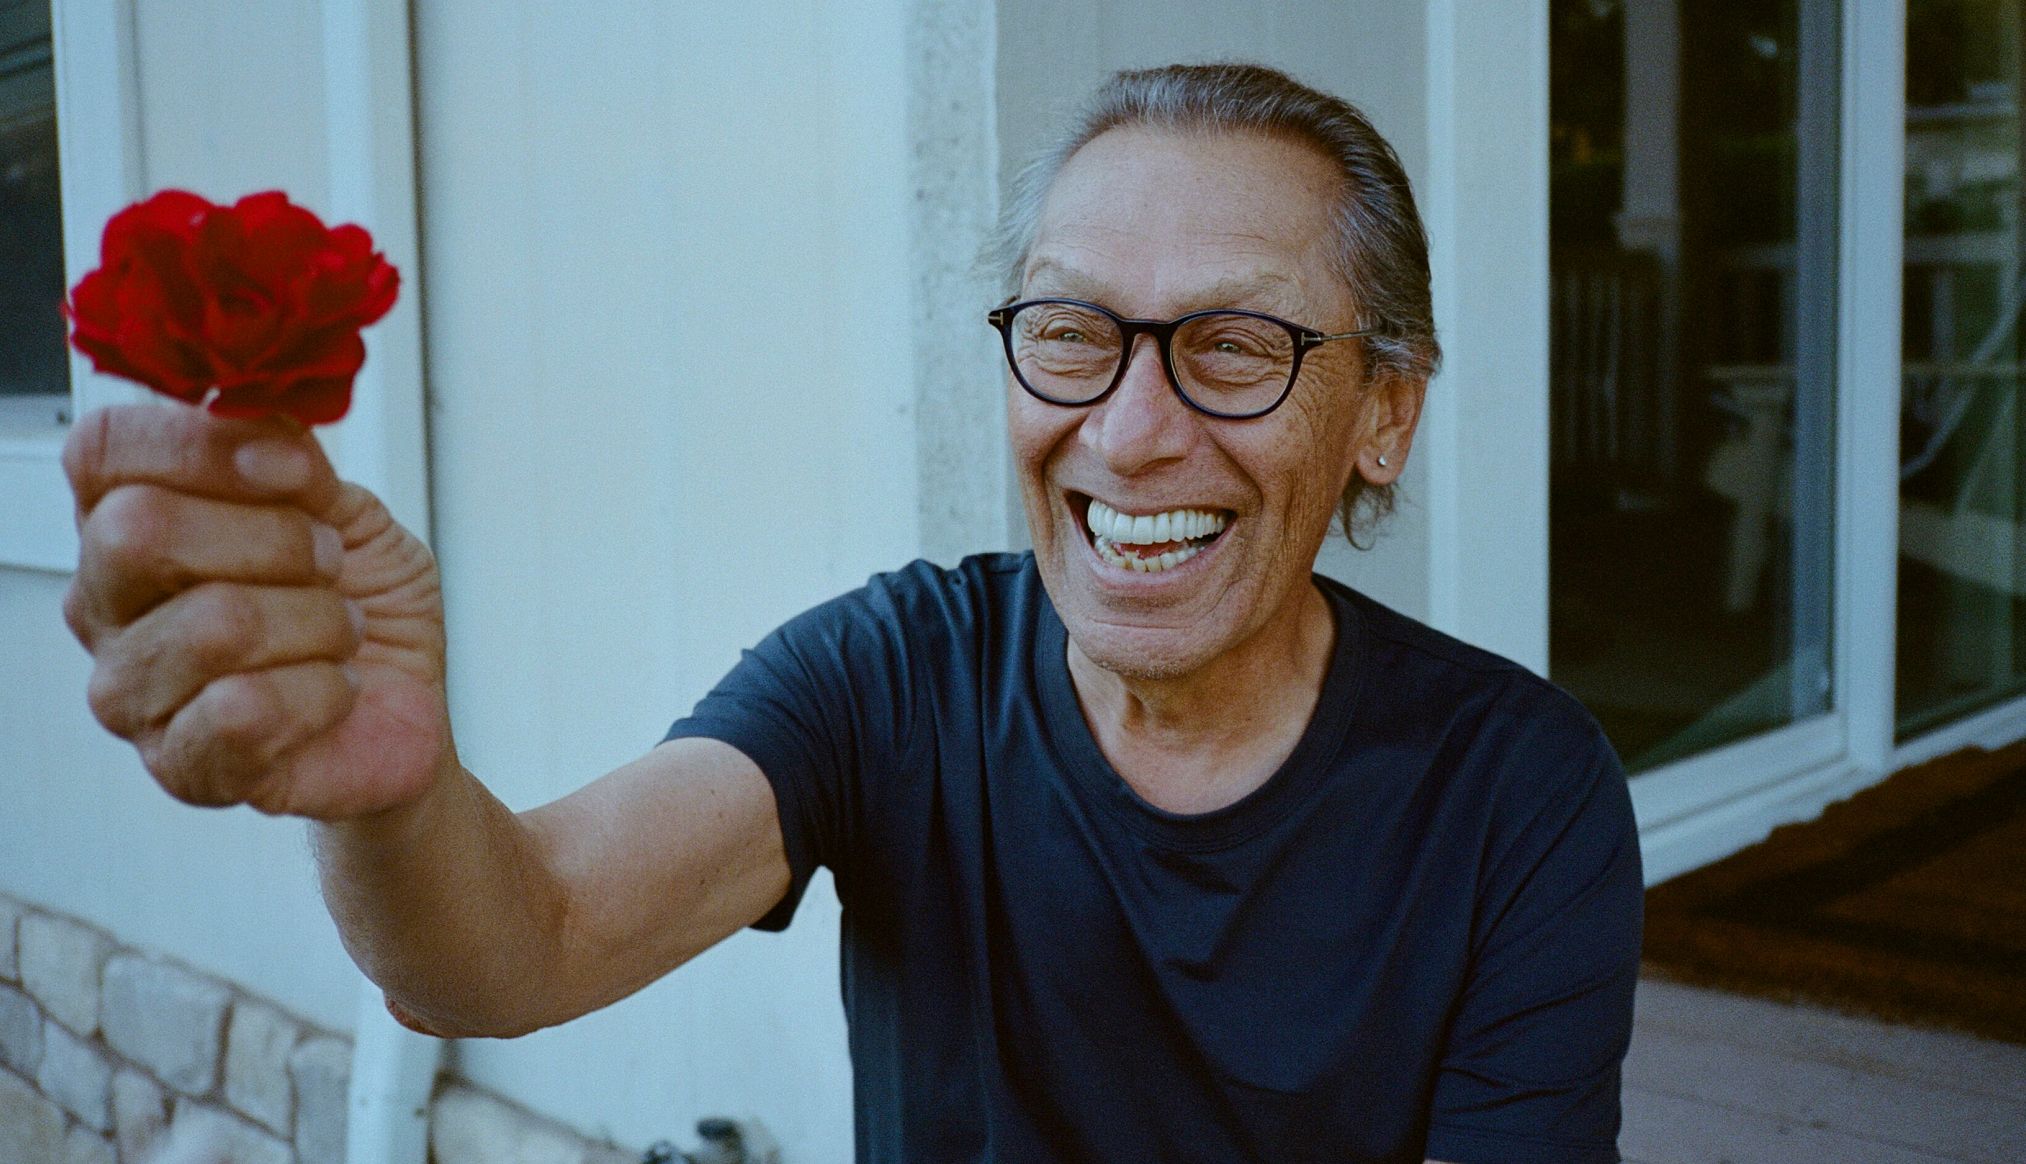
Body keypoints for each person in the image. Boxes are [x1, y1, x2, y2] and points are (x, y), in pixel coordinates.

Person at [62, 63, 1641, 1164]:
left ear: (1382, 414)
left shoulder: (1517, 788)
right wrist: (393, 790)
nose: (1132, 428)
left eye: (1233, 345)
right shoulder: (899, 674)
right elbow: (520, 943)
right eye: (1073, 330)